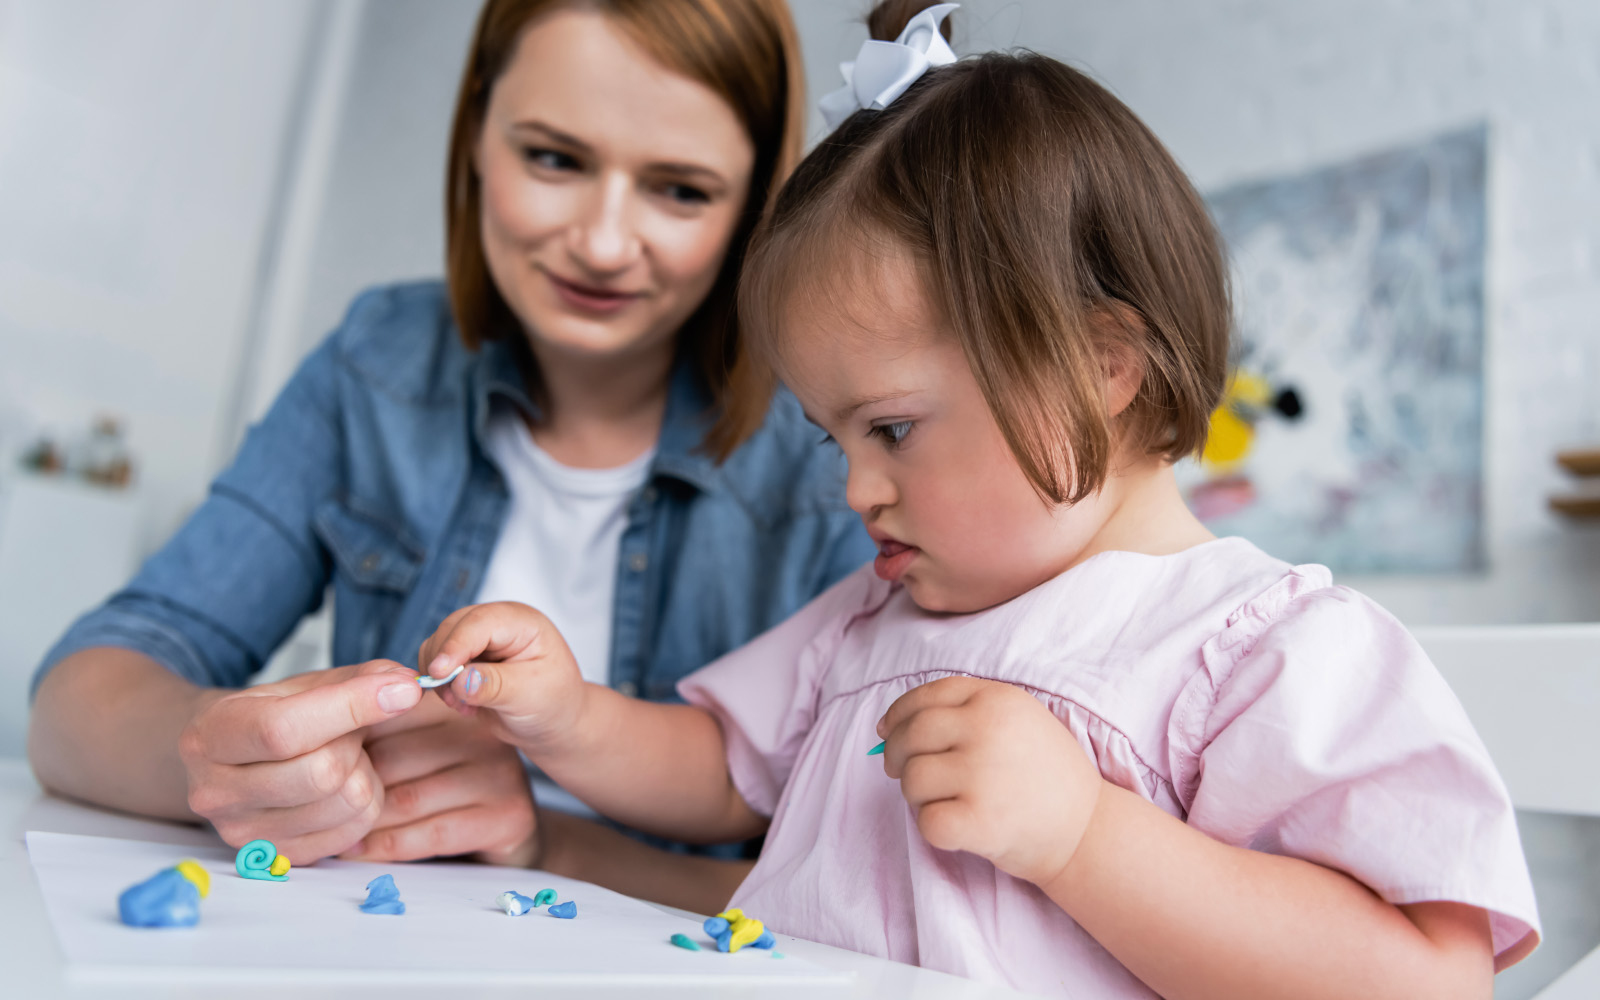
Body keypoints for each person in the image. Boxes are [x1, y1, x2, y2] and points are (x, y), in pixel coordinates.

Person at [410, 2, 1541, 995]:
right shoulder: (872, 621)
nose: (856, 488)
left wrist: (1084, 835)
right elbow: (718, 767)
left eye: (893, 429)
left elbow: (1428, 979)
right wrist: (567, 717)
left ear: (1099, 369)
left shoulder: (1266, 653)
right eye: (836, 438)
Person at [27, 0, 872, 913]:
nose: (600, 244)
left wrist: (547, 846)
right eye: (554, 159)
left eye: (681, 190)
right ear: (475, 134)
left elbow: (870, 893)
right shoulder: (377, 362)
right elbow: (77, 702)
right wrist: (214, 748)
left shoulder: (840, 457)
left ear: (755, 205)